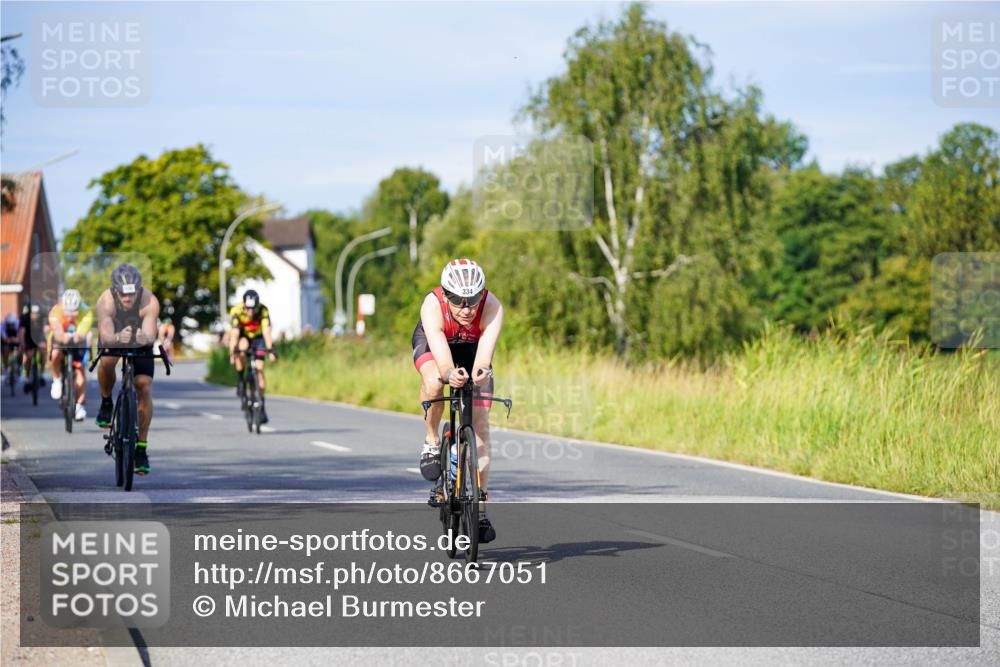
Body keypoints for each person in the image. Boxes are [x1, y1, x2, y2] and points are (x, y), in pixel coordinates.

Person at [413, 259, 504, 543]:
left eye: (472, 300)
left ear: (482, 294)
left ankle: (480, 509)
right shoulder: (432, 305)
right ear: (445, 294)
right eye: (457, 301)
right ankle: (431, 440)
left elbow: (484, 360)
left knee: (481, 427)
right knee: (433, 383)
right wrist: (449, 374)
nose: (466, 309)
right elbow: (442, 364)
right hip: (436, 344)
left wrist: (479, 374)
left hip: (473, 347)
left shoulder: (493, 307)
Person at [94, 264, 161, 476]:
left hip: (140, 342)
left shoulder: (149, 301)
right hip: (114, 336)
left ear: (139, 290)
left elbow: (151, 334)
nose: (127, 299)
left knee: (144, 386)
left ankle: (141, 449)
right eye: (123, 294)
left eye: (132, 294)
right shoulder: (105, 301)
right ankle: (106, 402)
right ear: (115, 291)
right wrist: (117, 338)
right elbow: (105, 336)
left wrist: (145, 338)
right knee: (107, 361)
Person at [228, 290, 276, 423]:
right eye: (248, 308)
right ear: (244, 305)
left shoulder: (263, 310)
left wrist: (271, 350)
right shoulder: (236, 311)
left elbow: (267, 333)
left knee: (260, 368)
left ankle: (262, 406)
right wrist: (232, 352)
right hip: (243, 337)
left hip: (258, 338)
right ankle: (241, 379)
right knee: (242, 348)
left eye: (253, 308)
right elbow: (235, 334)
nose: (250, 312)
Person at [47, 289, 93, 420]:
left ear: (79, 307)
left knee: (80, 371)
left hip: (78, 339)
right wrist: (64, 337)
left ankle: (80, 405)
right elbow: (58, 335)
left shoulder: (86, 312)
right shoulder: (55, 312)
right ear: (63, 307)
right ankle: (56, 380)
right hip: (60, 336)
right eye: (68, 312)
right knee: (55, 354)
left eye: (74, 312)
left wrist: (75, 337)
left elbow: (80, 335)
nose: (70, 316)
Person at [18, 301, 47, 392]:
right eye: (33, 313)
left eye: (37, 313)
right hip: (28, 339)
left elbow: (45, 330)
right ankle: (26, 377)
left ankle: (41, 373)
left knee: (43, 352)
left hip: (38, 337)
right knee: (28, 357)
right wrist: (22, 344)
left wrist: (45, 341)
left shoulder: (42, 318)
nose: (35, 315)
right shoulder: (24, 318)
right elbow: (22, 333)